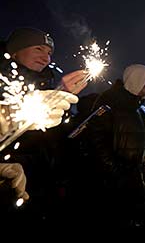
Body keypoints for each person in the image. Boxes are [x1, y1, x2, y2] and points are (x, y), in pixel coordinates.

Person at [0, 27, 88, 235]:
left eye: (49, 53)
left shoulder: (48, 84)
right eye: (38, 49)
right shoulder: (5, 82)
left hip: (42, 184)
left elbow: (58, 134)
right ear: (15, 51)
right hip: (9, 188)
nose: (46, 57)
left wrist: (62, 94)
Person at [72, 63, 145, 239]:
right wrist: (115, 171)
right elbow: (97, 140)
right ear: (134, 79)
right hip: (114, 182)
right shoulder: (110, 101)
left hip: (139, 179)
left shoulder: (143, 109)